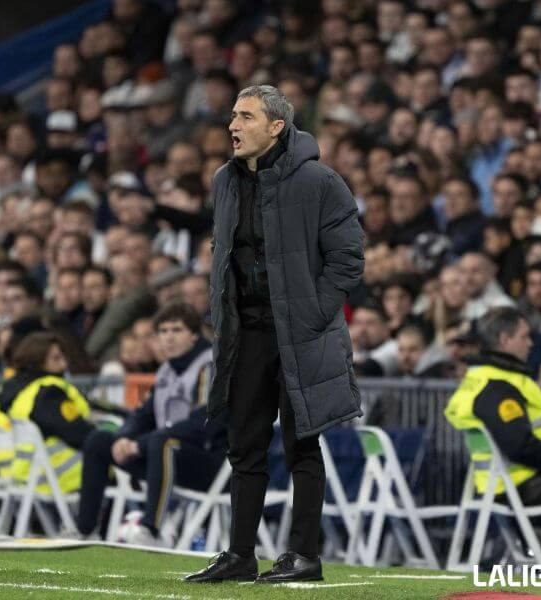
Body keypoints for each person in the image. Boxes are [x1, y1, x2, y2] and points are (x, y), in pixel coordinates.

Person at [187, 85, 364, 584]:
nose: (233, 125)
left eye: (245, 116)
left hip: (301, 334)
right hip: (246, 335)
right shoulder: (225, 180)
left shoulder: (319, 181)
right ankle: (241, 554)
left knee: (301, 444)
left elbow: (348, 258)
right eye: (232, 115)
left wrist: (312, 313)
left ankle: (304, 556)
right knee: (243, 445)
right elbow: (223, 255)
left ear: (276, 126)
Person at [74, 303, 223, 545]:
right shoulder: (166, 369)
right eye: (163, 331)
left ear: (194, 335)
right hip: (165, 456)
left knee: (161, 441)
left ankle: (151, 531)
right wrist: (125, 438)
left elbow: (204, 421)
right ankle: (85, 530)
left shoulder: (210, 366)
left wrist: (139, 445)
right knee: (99, 440)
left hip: (208, 462)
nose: (168, 338)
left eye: (177, 330)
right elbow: (144, 414)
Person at [444, 307, 541, 504]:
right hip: (527, 486)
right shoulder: (498, 387)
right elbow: (520, 447)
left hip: (508, 486)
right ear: (504, 340)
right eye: (524, 337)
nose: (531, 343)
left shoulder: (481, 378)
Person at [0, 331, 93, 494]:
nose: (64, 365)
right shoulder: (47, 393)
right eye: (56, 358)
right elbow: (77, 433)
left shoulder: (6, 390)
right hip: (59, 479)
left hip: (14, 475)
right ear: (38, 360)